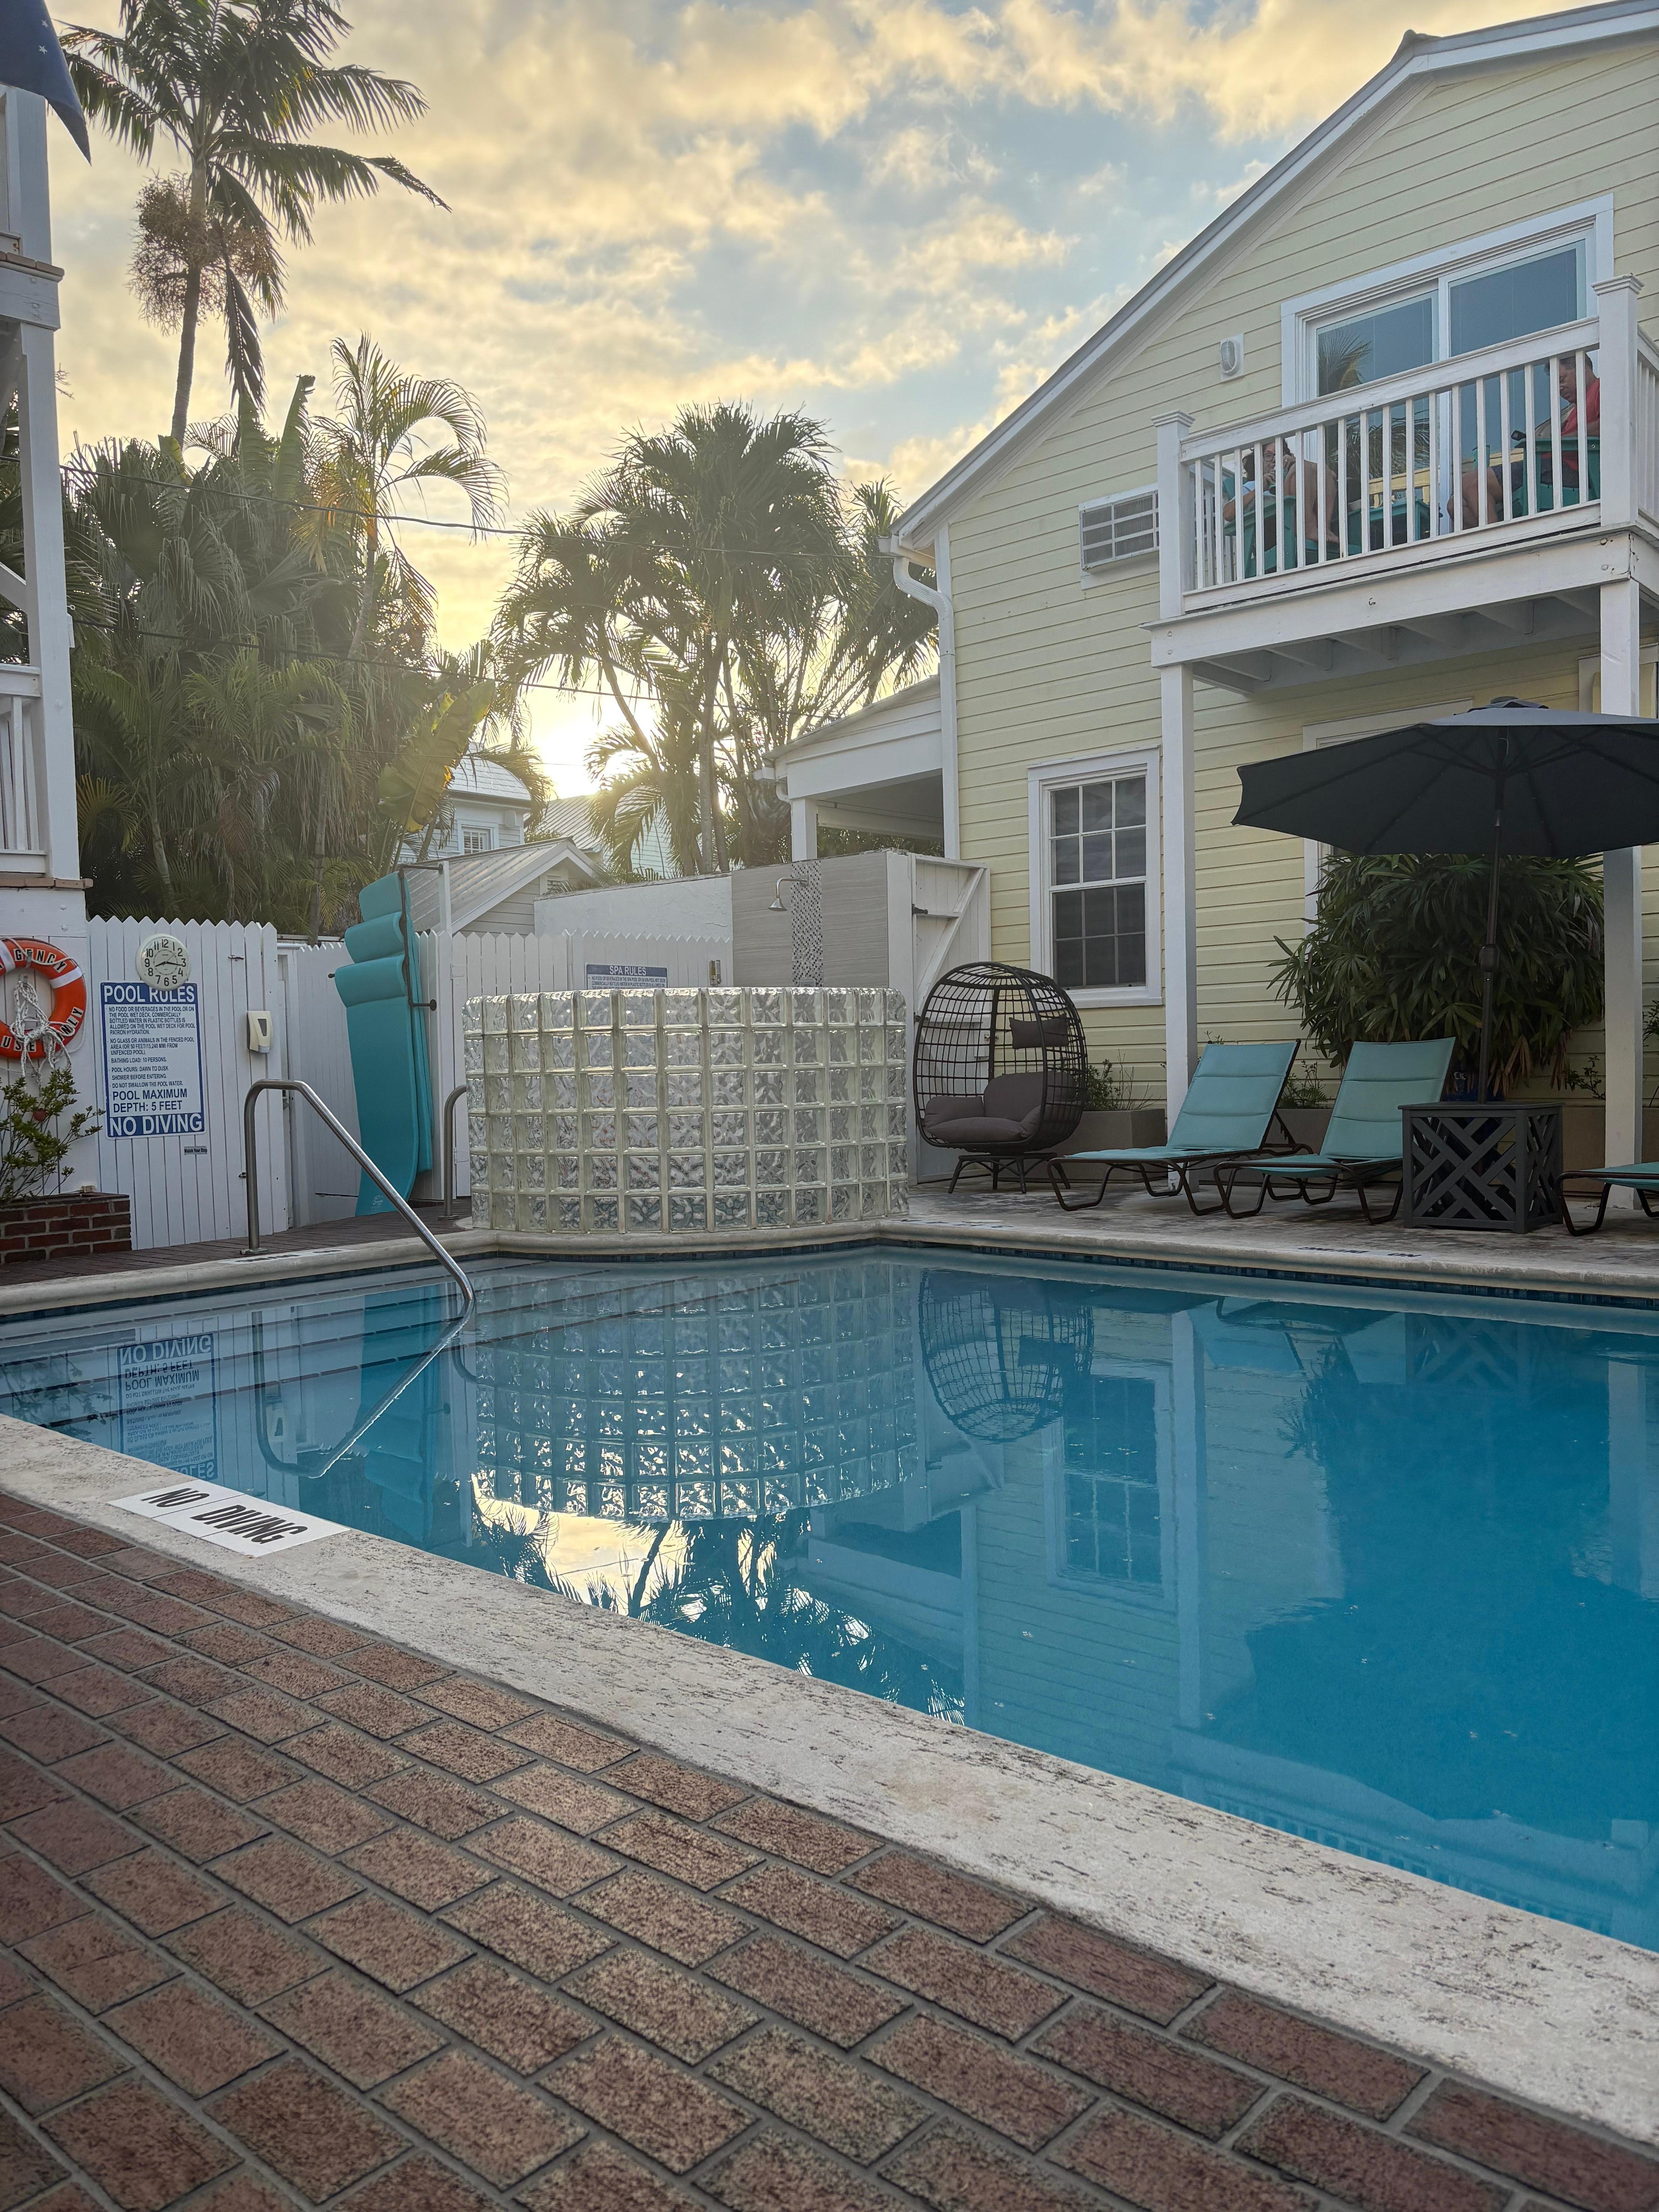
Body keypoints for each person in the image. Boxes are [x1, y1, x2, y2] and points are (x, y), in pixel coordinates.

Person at [1456, 354, 1599, 527]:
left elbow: (1608, 425)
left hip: (1571, 471)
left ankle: (1496, 540)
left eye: (1562, 380)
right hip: (1548, 467)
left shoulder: (1601, 389)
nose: (1560, 388)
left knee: (1474, 482)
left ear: (1582, 368)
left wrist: (1560, 439)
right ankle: (1491, 538)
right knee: (1456, 504)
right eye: (1556, 384)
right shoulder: (1576, 410)